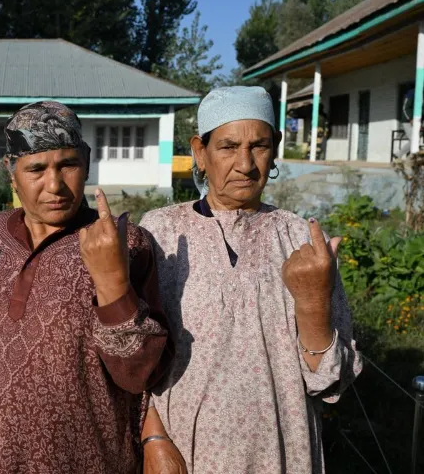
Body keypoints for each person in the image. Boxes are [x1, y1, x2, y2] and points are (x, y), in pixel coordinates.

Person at [139, 86, 362, 474]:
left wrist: (311, 302)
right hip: (184, 453)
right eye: (227, 147)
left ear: (274, 147)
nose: (245, 164)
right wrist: (152, 436)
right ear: (199, 152)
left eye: (258, 145)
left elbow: (329, 382)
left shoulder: (301, 240)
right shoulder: (160, 232)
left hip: (283, 450)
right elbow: (132, 355)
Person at [0, 101, 172, 473]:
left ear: (86, 160)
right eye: (36, 168)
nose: (54, 185)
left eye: (67, 165)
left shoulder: (124, 243)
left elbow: (139, 375)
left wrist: (111, 283)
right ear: (12, 173)